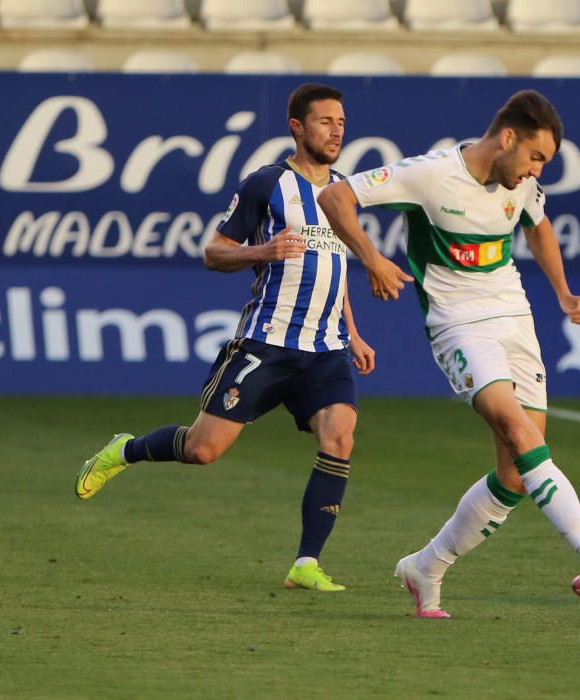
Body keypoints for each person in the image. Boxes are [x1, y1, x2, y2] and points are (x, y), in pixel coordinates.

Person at [317, 89, 580, 618]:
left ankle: (427, 566)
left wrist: (563, 292)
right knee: (517, 429)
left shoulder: (521, 183)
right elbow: (335, 197)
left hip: (514, 318)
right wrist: (372, 259)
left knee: (514, 474)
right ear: (507, 138)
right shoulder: (432, 174)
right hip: (458, 323)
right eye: (535, 157)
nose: (536, 171)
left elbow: (539, 225)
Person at [75, 83, 375, 593]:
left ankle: (306, 562)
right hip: (266, 343)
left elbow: (334, 265)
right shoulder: (266, 184)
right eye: (325, 121)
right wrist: (264, 252)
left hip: (325, 348)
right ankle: (123, 451)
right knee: (202, 450)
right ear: (297, 128)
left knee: (340, 437)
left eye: (341, 122)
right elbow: (214, 252)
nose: (336, 130)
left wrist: (352, 330)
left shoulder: (343, 190)